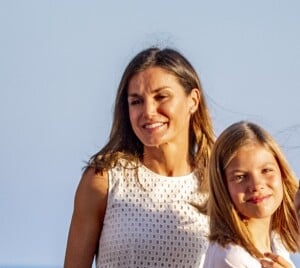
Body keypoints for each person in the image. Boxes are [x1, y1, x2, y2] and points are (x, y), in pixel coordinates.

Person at [64, 47, 215, 268]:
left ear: (192, 100)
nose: (148, 111)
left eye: (161, 97)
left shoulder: (218, 185)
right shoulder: (104, 180)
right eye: (136, 101)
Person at [203, 121, 300, 268]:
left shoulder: (276, 242)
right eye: (240, 177)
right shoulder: (232, 257)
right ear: (222, 187)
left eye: (266, 170)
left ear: (282, 174)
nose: (256, 185)